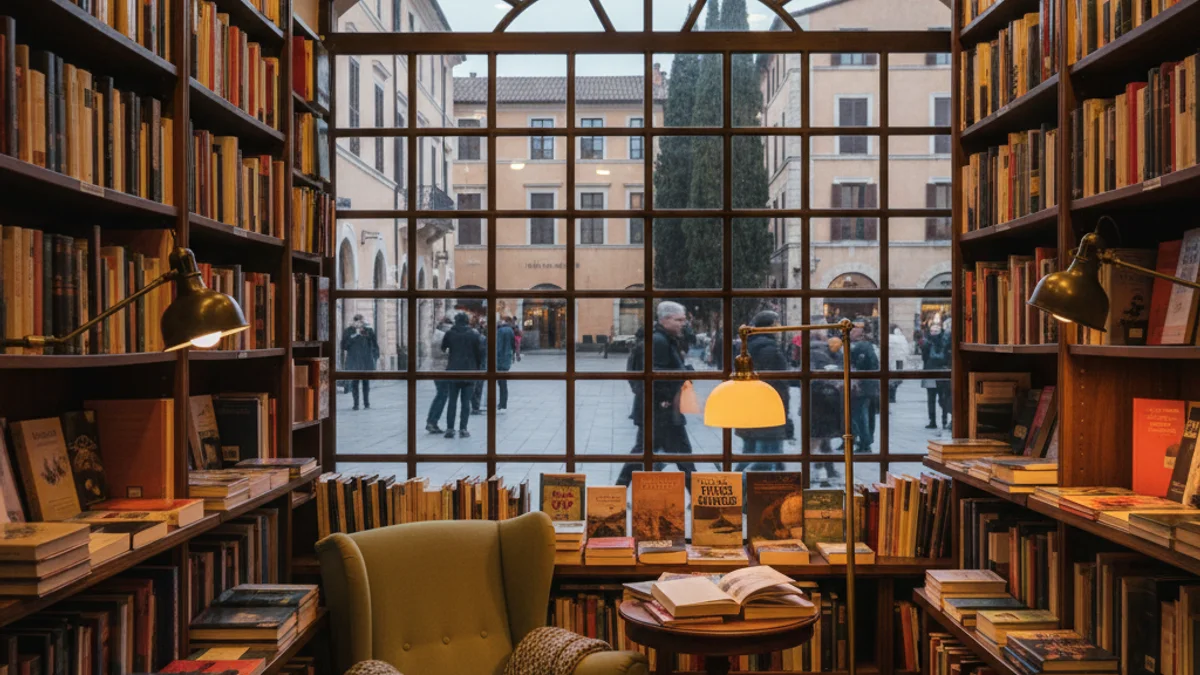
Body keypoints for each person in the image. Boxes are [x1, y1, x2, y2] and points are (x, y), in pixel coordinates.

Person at [735, 311, 790, 471]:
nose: (780, 327)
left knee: (750, 454)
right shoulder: (769, 349)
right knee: (765, 460)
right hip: (768, 409)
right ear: (771, 326)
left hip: (750, 407)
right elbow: (775, 381)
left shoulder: (748, 345)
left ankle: (734, 486)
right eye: (777, 323)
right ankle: (737, 487)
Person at [441, 312, 484, 438]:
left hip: (453, 370)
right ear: (467, 321)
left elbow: (443, 348)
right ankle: (463, 429)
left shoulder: (449, 333)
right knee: (466, 402)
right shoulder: (474, 334)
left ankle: (450, 428)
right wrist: (476, 367)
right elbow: (480, 353)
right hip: (469, 371)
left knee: (452, 401)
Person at [615, 327, 646, 487]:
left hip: (648, 404)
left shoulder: (637, 348)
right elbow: (633, 374)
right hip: (651, 406)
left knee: (683, 454)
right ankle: (619, 488)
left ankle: (619, 488)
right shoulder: (643, 348)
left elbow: (631, 374)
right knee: (642, 448)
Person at [810, 333, 844, 483]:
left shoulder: (812, 355)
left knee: (817, 440)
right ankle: (825, 470)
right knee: (822, 440)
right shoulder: (825, 356)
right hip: (827, 402)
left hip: (814, 403)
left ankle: (820, 469)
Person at [848, 324, 879, 454]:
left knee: (860, 414)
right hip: (872, 384)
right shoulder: (870, 345)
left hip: (862, 385)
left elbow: (857, 364)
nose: (850, 333)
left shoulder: (860, 346)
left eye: (852, 330)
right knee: (868, 413)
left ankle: (864, 442)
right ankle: (867, 440)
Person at [340, 314, 379, 411]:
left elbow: (374, 344)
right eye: (357, 322)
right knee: (354, 383)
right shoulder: (348, 331)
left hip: (366, 361)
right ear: (354, 322)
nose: (359, 324)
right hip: (354, 361)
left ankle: (366, 404)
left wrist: (375, 357)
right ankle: (356, 404)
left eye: (361, 322)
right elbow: (344, 346)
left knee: (366, 383)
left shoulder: (368, 330)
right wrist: (354, 335)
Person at [425, 316, 453, 434]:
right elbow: (445, 352)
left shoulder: (437, 334)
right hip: (443, 369)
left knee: (441, 395)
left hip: (436, 368)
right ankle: (432, 422)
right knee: (442, 395)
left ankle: (432, 421)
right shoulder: (445, 335)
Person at [921, 320, 952, 429]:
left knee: (933, 398)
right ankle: (943, 420)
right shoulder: (945, 341)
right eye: (932, 330)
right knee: (941, 397)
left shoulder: (927, 342)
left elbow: (924, 357)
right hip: (940, 372)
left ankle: (933, 421)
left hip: (930, 371)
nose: (933, 332)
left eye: (935, 330)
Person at [494, 317, 516, 413]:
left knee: (499, 382)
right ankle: (503, 403)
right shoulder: (510, 330)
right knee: (503, 383)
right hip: (507, 358)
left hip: (500, 360)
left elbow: (498, 346)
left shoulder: (500, 331)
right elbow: (513, 345)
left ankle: (501, 404)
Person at [888, 324, 910, 403]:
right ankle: (892, 395)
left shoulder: (888, 338)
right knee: (897, 377)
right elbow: (906, 350)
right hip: (900, 360)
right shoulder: (902, 338)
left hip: (890, 360)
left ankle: (890, 395)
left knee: (890, 378)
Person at [472, 319, 488, 414]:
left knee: (474, 388)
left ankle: (475, 406)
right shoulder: (482, 338)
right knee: (478, 388)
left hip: (474, 366)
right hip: (480, 366)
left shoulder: (472, 339)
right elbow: (484, 353)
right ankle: (475, 406)